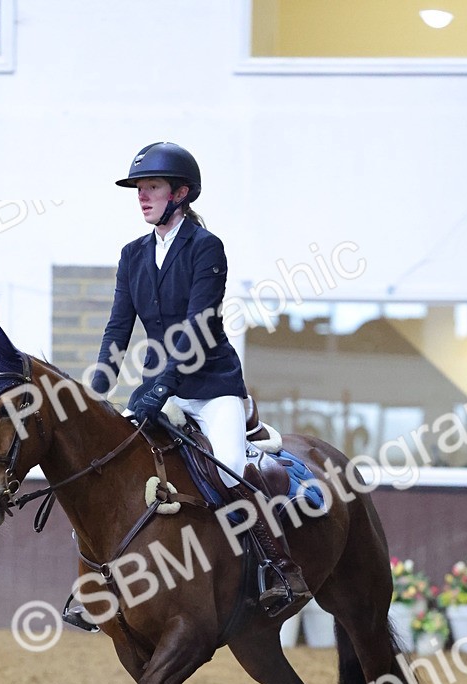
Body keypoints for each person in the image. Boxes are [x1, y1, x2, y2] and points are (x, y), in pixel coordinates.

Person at [90, 141, 310, 619]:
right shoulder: (132, 255)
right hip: (158, 390)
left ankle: (276, 567)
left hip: (211, 389)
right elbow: (117, 328)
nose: (142, 196)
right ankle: (105, 584)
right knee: (113, 473)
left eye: (152, 187)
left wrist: (161, 387)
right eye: (139, 189)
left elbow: (199, 326)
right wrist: (97, 391)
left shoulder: (206, 248)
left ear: (181, 193)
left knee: (230, 465)